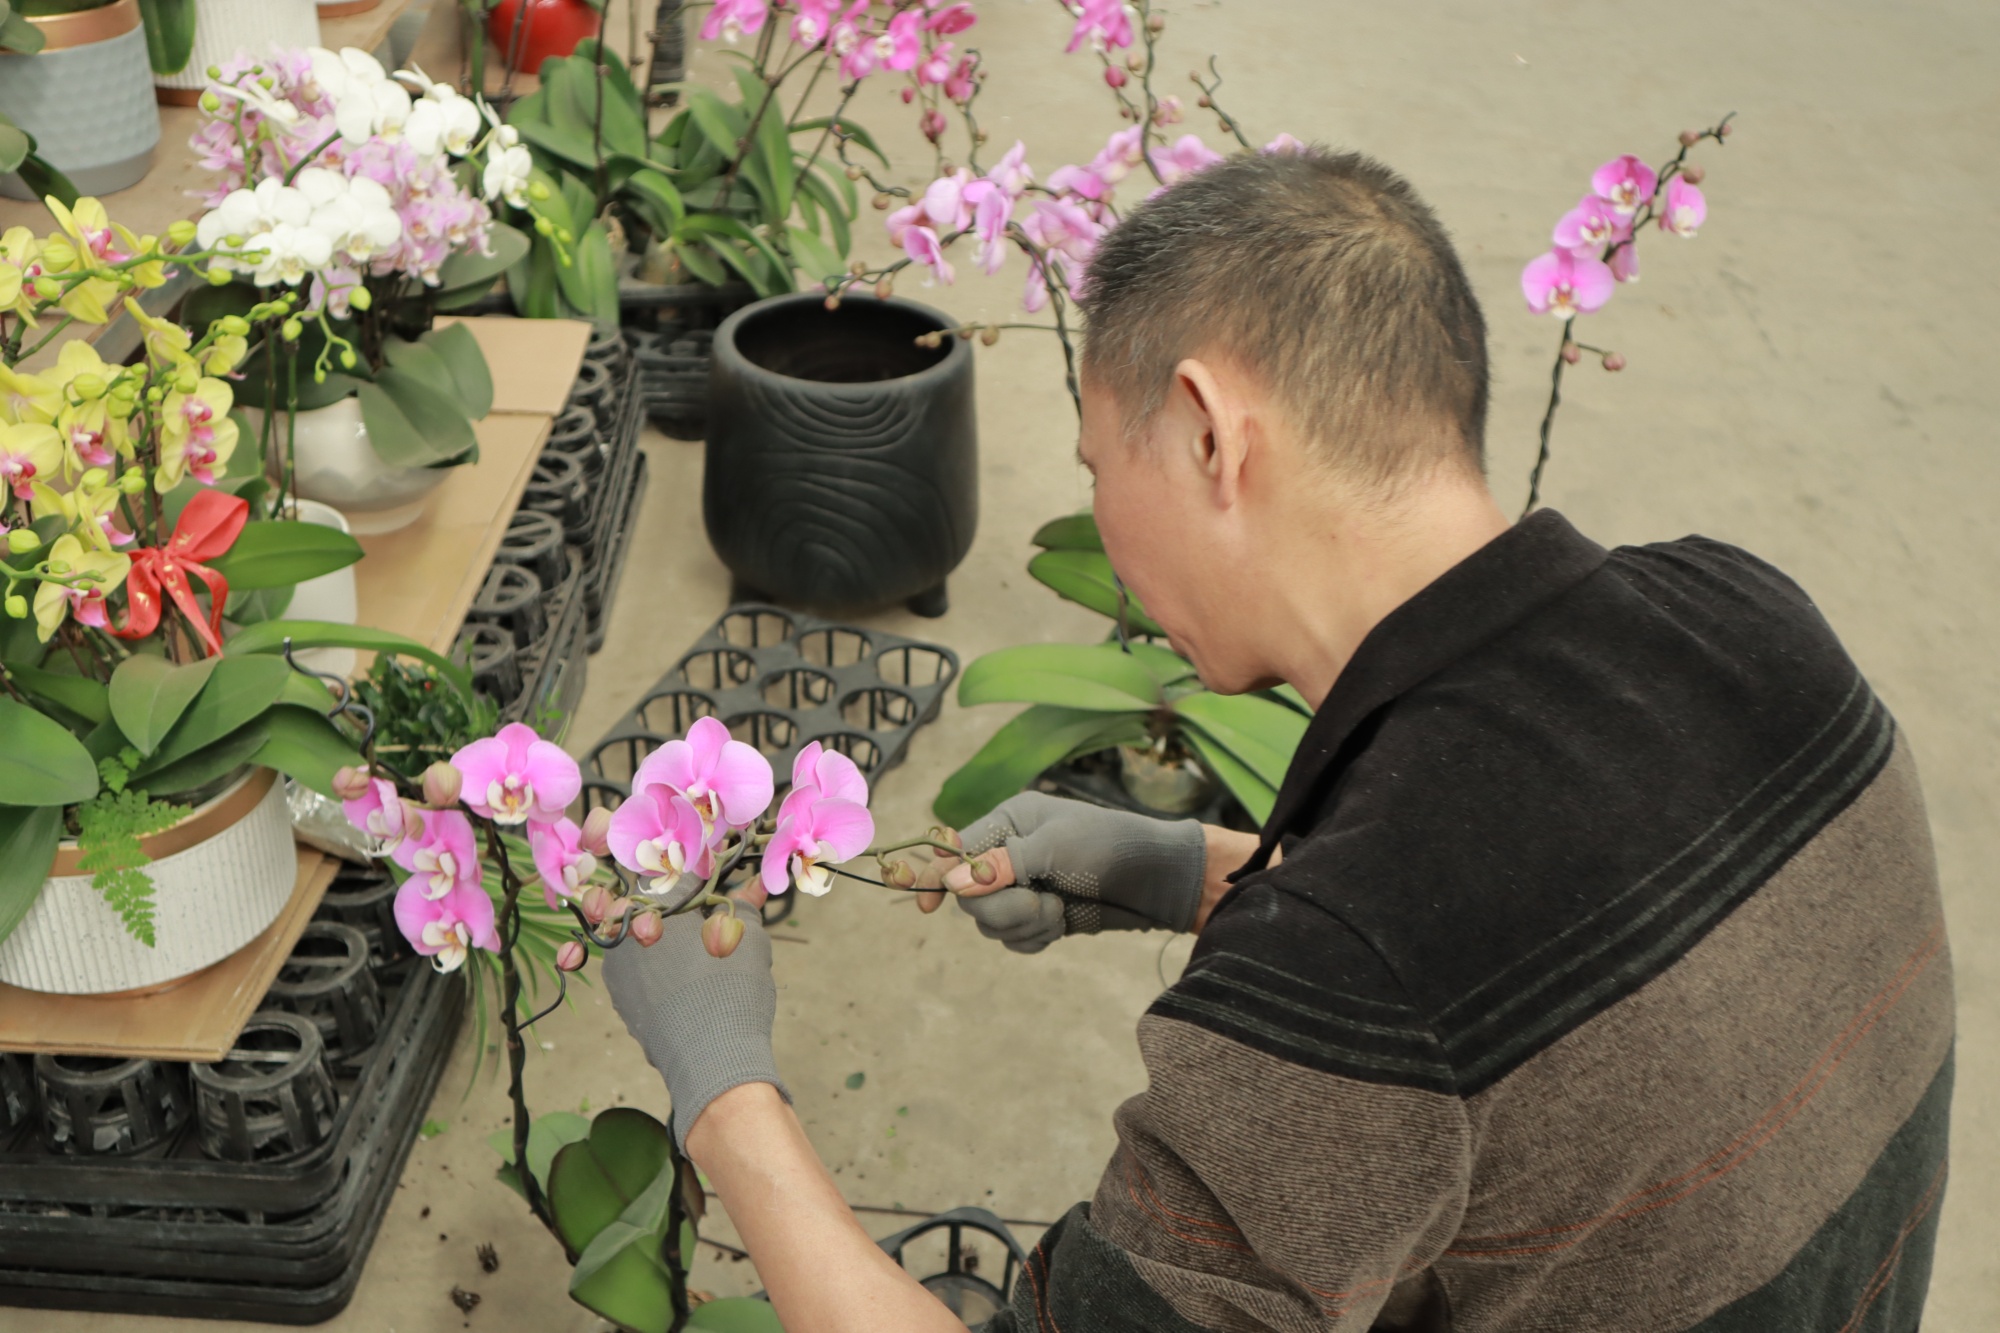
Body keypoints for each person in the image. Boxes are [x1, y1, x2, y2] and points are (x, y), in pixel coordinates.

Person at [603, 149, 1953, 1331]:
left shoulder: (1343, 986)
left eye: (1093, 466)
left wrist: (723, 1090)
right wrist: (1194, 869)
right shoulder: (1753, 613)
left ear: (1207, 434)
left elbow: (1405, 982)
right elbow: (1555, 1005)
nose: (1113, 553)